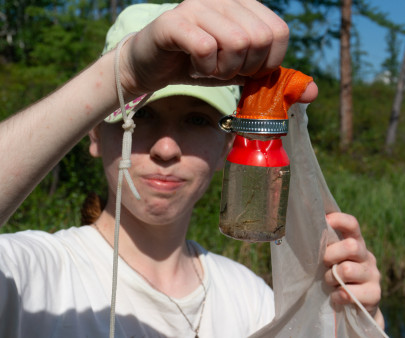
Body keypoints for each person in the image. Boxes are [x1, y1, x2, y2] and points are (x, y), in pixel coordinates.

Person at [0, 1, 384, 337]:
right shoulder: (28, 276)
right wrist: (122, 73)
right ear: (95, 134)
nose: (166, 149)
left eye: (197, 121)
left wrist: (352, 323)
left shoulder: (252, 300)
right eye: (142, 115)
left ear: (227, 149)